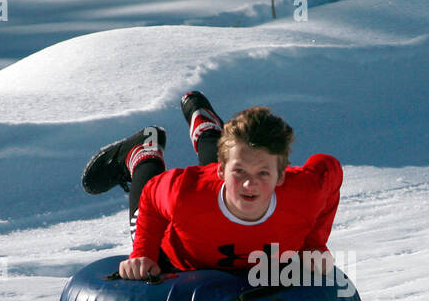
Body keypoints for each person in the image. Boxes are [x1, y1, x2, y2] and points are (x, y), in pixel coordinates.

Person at [81, 92, 343, 281]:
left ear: (281, 176)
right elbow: (151, 195)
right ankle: (142, 151)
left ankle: (206, 126)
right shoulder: (184, 193)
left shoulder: (304, 193)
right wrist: (143, 253)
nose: (251, 183)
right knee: (145, 216)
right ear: (220, 170)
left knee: (236, 169)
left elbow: (330, 168)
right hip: (176, 257)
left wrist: (314, 244)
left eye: (264, 173)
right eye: (240, 171)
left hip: (217, 193)